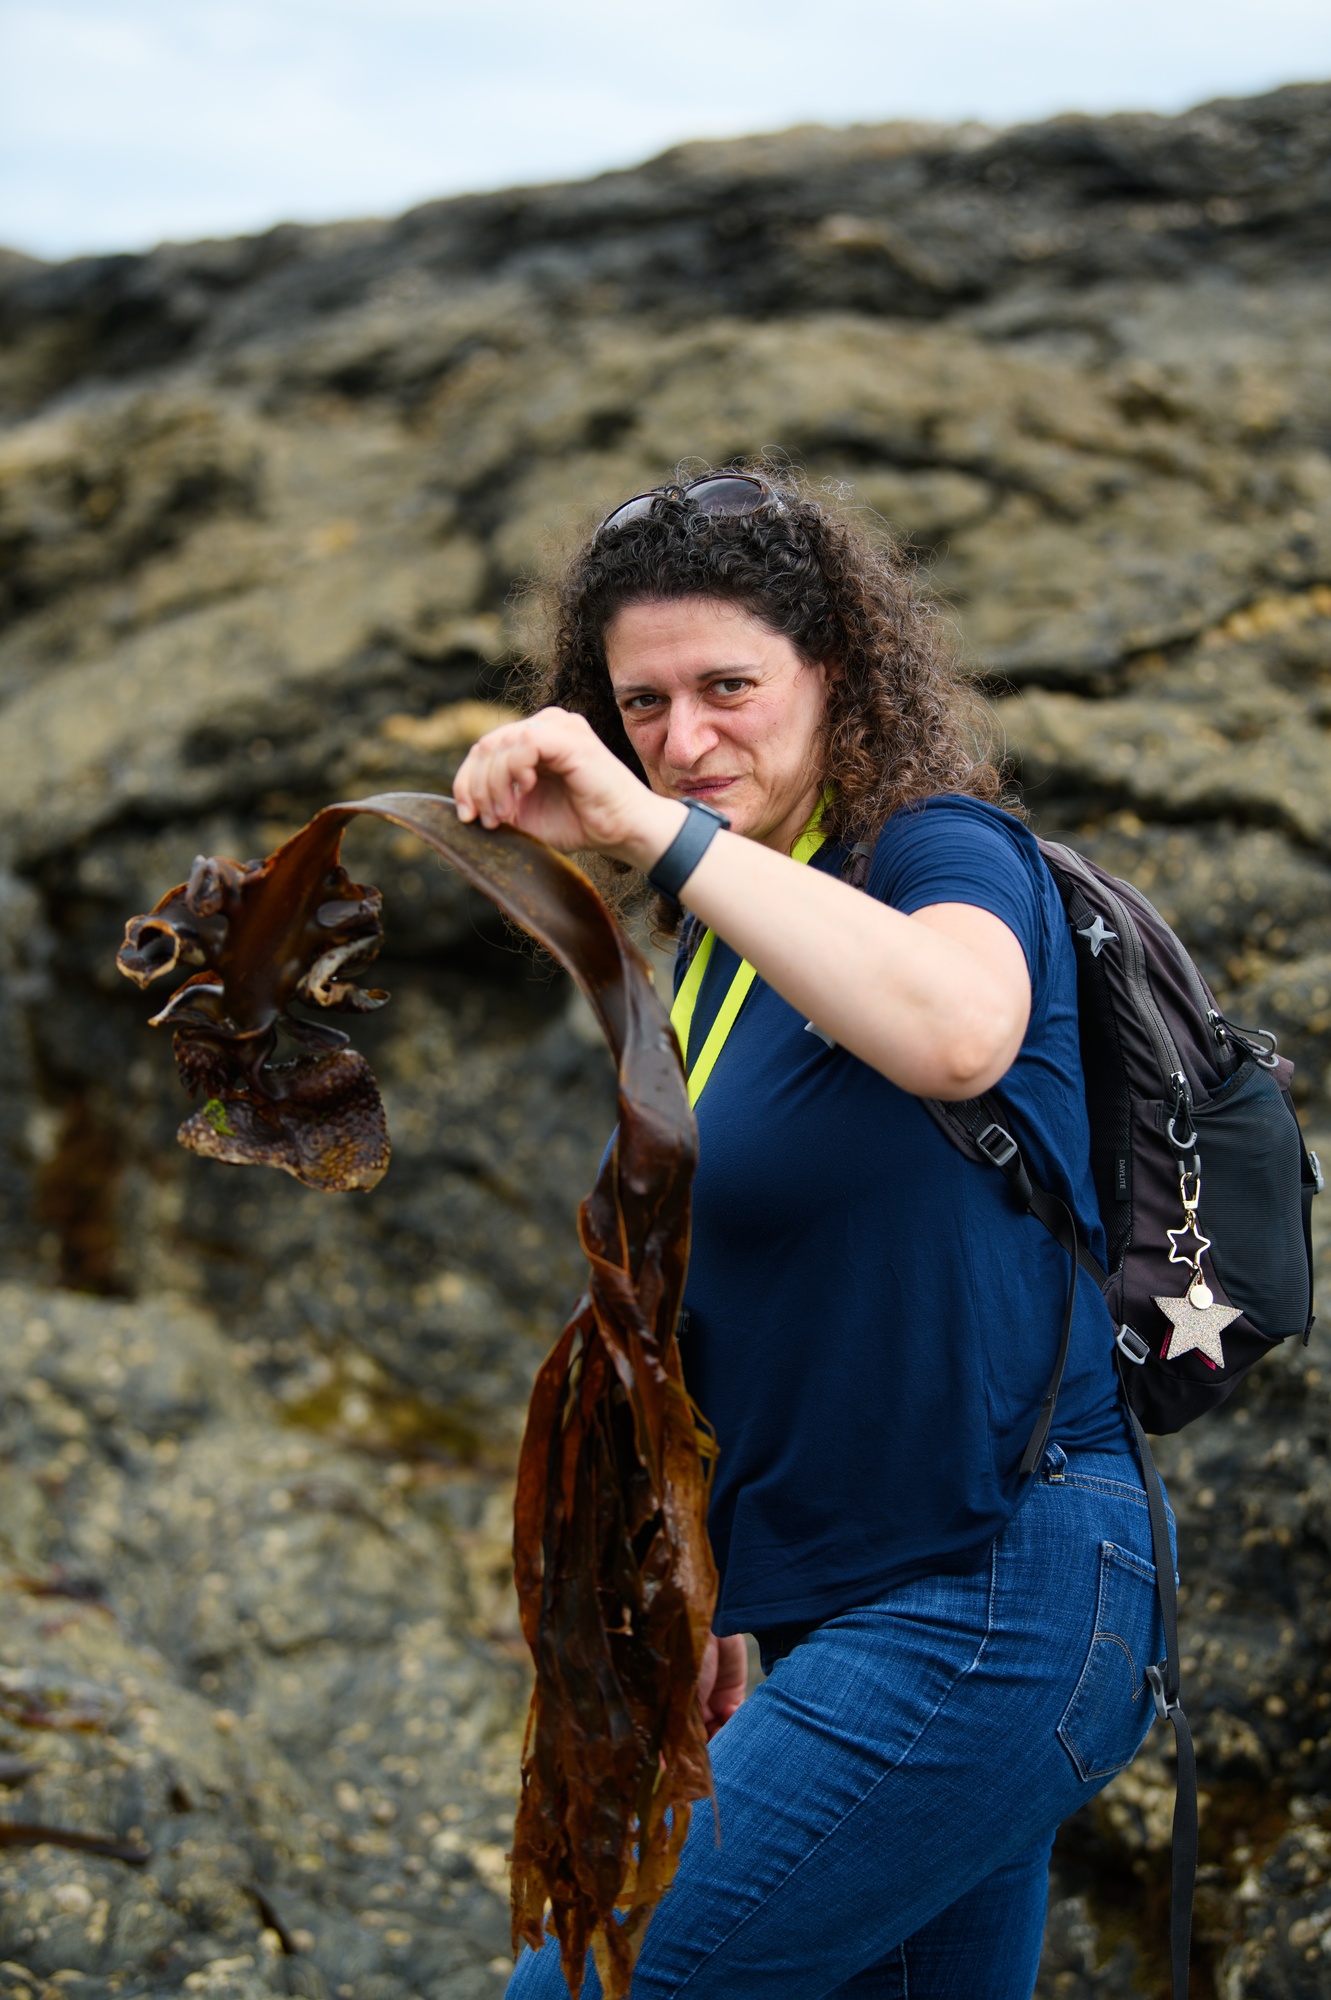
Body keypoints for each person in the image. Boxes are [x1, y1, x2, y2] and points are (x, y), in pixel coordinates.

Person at [453, 472, 1168, 2000]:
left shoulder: (940, 853)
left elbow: (960, 1030)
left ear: (834, 669)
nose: (683, 740)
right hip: (835, 1603)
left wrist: (651, 832)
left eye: (729, 687)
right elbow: (736, 1283)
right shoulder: (723, 953)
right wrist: (703, 1569)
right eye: (643, 705)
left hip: (998, 1589)